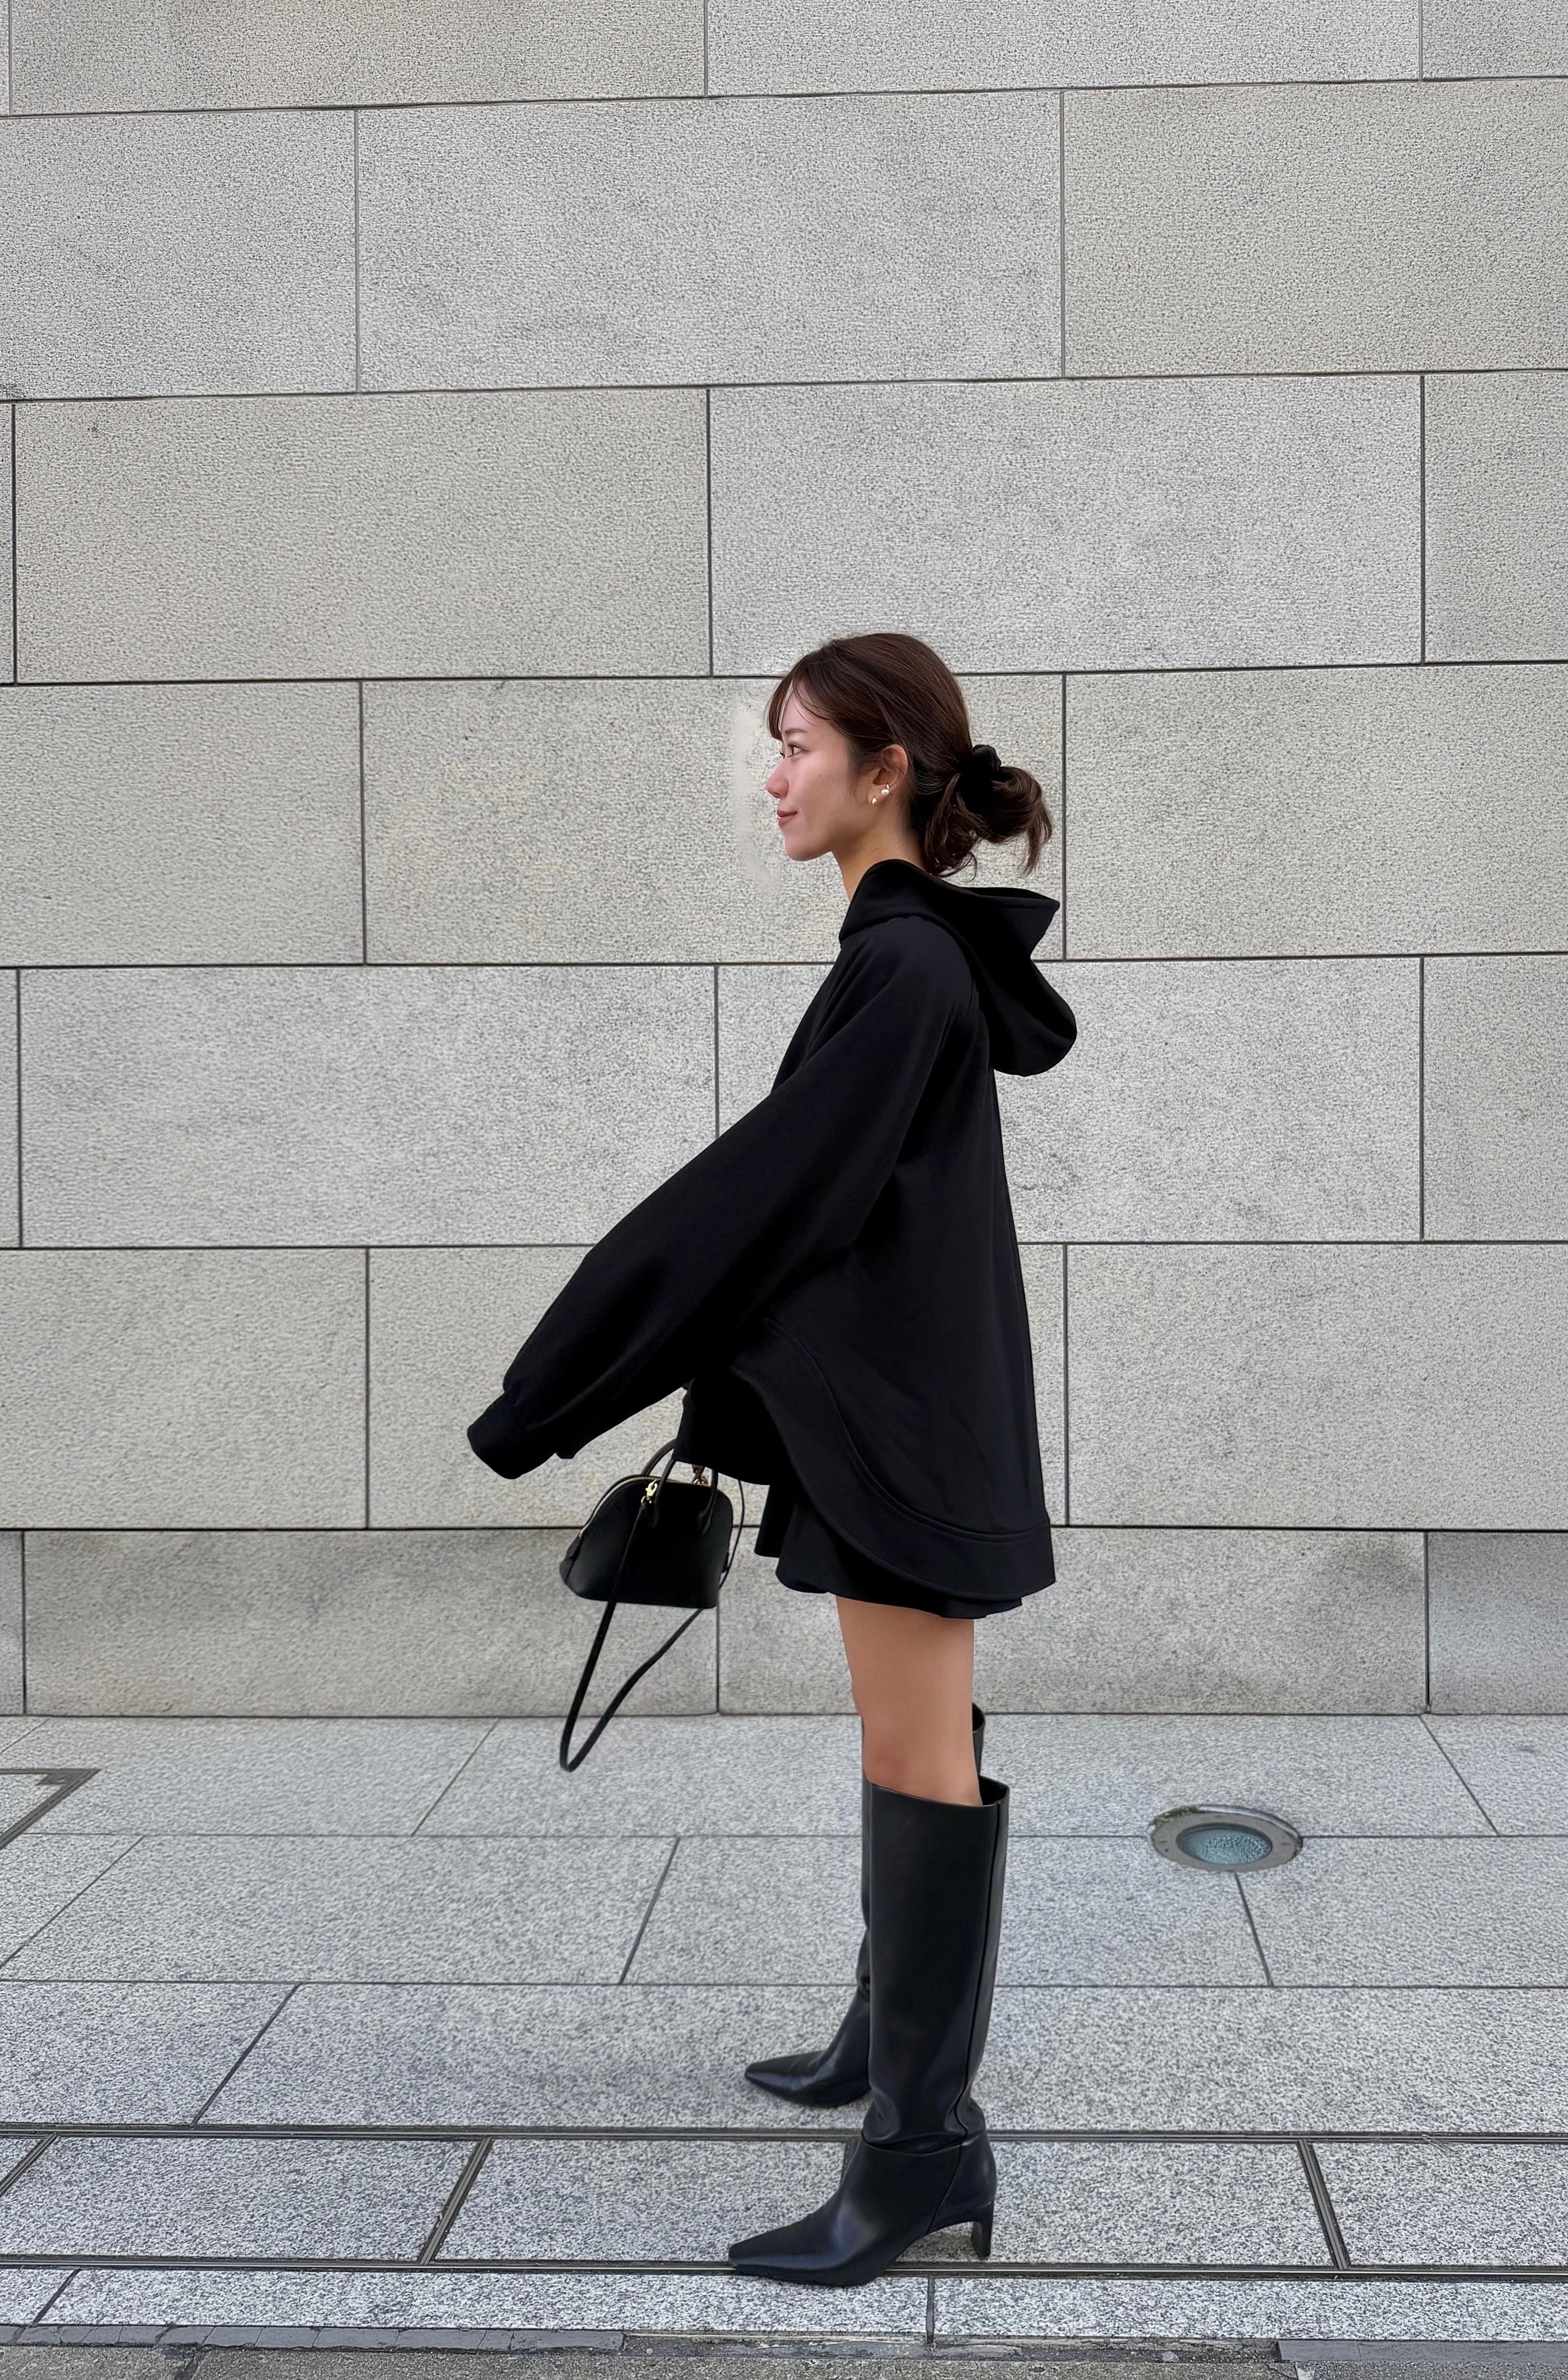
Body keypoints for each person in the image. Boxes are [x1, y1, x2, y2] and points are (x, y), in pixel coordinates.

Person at [466, 628, 1077, 2287]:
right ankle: (887, 2042)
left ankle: (923, 2150)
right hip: (897, 1421)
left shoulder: (906, 968)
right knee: (911, 1735)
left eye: (798, 746)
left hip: (906, 1435)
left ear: (887, 769)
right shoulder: (907, 958)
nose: (774, 777)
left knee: (917, 1750)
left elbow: (756, 1202)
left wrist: (553, 1387)